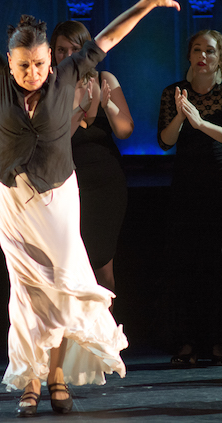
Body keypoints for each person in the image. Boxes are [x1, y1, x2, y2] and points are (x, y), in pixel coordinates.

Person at [0, 0, 179, 415]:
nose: (33, 72)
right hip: (13, 200)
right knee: (26, 294)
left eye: (40, 64)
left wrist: (149, 2)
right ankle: (33, 379)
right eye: (25, 65)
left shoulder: (68, 73)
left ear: (52, 59)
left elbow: (109, 35)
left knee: (64, 287)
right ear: (10, 61)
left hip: (58, 198)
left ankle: (57, 375)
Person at [157, 29, 222, 366]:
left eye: (210, 51)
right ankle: (187, 341)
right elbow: (164, 141)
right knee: (188, 259)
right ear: (189, 56)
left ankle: (220, 341)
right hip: (187, 179)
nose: (203, 55)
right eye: (197, 50)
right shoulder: (173, 92)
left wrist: (200, 123)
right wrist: (181, 116)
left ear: (221, 58)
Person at [50, 20, 133, 297]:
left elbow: (124, 130)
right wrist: (81, 107)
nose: (68, 56)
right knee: (71, 268)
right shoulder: (50, 86)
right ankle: (75, 338)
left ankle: (104, 336)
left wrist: (106, 103)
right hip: (68, 185)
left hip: (107, 184)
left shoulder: (104, 80)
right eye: (61, 50)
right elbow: (58, 138)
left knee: (103, 269)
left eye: (75, 49)